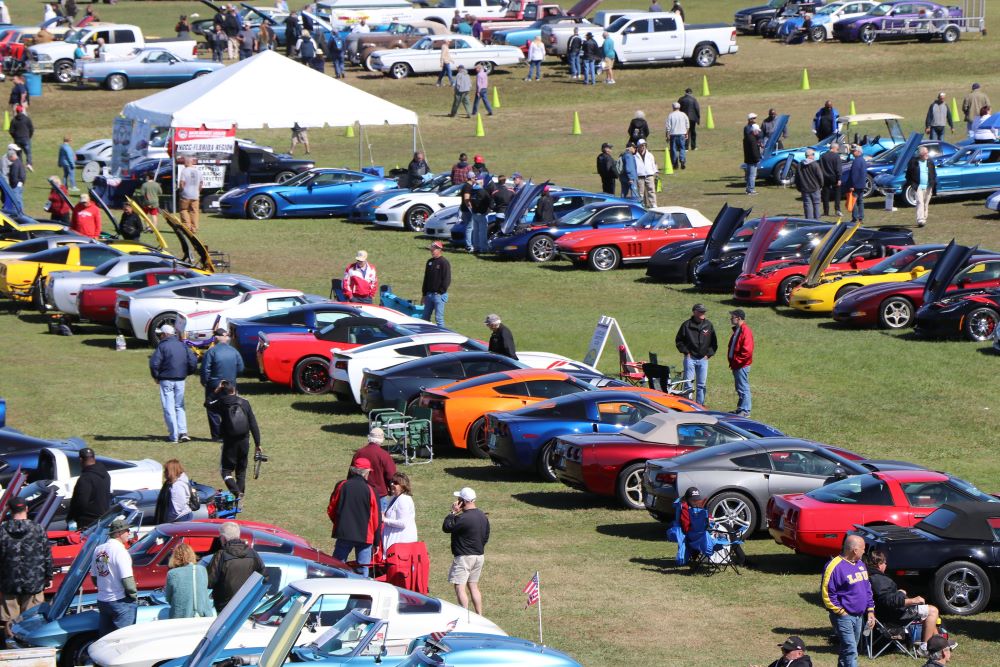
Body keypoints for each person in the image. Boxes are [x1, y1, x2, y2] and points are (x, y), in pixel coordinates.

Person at [865, 549, 940, 653]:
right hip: (892, 616)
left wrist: (899, 593)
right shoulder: (877, 578)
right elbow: (889, 601)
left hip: (884, 614)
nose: (886, 565)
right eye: (885, 563)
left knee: (927, 611)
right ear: (879, 564)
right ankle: (924, 649)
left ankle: (939, 642)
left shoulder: (868, 575)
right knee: (932, 611)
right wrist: (912, 600)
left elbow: (886, 597)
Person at [0, 498, 51, 640]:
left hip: (8, 582)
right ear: (26, 509)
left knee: (10, 623)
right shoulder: (38, 528)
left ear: (9, 510)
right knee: (32, 621)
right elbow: (46, 554)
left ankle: (11, 649)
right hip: (34, 582)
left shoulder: (2, 531)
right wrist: (49, 576)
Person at [822, 534, 875, 667]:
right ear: (855, 550)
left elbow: (867, 588)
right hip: (844, 616)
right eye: (863, 548)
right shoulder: (834, 567)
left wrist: (870, 610)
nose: (865, 551)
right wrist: (841, 612)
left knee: (848, 649)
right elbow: (827, 594)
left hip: (859, 616)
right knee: (851, 650)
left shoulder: (860, 564)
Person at [327, 458, 381, 577]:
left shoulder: (342, 485)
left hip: (344, 533)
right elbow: (376, 518)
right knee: (362, 569)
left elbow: (331, 508)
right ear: (366, 472)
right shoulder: (371, 490)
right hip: (365, 536)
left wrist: (338, 523)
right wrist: (377, 541)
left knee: (336, 566)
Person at [208, 381, 261, 497]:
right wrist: (258, 444)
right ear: (234, 391)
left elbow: (207, 404)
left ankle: (236, 492)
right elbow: (253, 423)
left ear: (223, 392)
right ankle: (240, 496)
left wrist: (215, 392)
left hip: (229, 443)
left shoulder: (221, 402)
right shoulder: (245, 403)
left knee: (226, 470)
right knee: (241, 472)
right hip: (244, 441)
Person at [442, 487, 489, 614]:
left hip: (464, 558)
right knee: (473, 586)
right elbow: (485, 537)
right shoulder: (483, 516)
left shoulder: (462, 518)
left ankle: (464, 615)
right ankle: (479, 615)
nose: (457, 501)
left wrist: (452, 513)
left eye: (459, 499)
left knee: (459, 587)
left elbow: (446, 527)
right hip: (479, 556)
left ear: (463, 501)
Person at [149, 323, 198, 444]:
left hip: (166, 380)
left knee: (168, 407)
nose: (159, 336)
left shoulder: (162, 346)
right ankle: (183, 432)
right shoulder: (183, 345)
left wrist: (156, 376)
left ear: (165, 334)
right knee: (180, 406)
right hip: (181, 380)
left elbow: (154, 363)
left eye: (160, 334)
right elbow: (193, 361)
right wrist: (187, 373)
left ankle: (174, 436)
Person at [92, 518, 137, 638]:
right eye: (126, 530)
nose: (129, 532)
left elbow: (94, 577)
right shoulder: (120, 551)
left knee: (105, 639)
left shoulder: (98, 550)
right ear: (118, 533)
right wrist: (133, 596)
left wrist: (104, 588)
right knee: (122, 640)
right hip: (119, 601)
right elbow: (127, 580)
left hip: (103, 600)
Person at [206, 522, 264, 612]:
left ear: (223, 538)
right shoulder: (253, 554)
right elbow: (263, 579)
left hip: (224, 606)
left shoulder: (221, 555)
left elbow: (210, 581)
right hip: (246, 604)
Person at [200, 328, 244, 440]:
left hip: (214, 385)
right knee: (229, 409)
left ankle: (217, 435)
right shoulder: (234, 351)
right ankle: (230, 433)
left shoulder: (211, 351)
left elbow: (205, 369)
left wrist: (205, 381)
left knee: (212, 409)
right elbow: (241, 368)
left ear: (216, 338)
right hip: (231, 385)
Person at [675, 303, 717, 406]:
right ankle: (687, 405)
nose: (703, 313)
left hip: (703, 359)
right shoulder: (686, 325)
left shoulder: (708, 325)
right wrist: (686, 352)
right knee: (688, 384)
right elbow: (679, 341)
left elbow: (714, 343)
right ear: (694, 312)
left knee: (701, 384)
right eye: (701, 311)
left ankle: (699, 405)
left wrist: (708, 355)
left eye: (704, 311)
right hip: (690, 358)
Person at [164, 543, 213, 619]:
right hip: (203, 615)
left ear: (175, 557)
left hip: (180, 616)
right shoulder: (201, 570)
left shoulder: (172, 574)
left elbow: (168, 598)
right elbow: (204, 591)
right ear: (192, 555)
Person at [353, 427, 397, 511]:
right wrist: (391, 489)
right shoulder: (384, 455)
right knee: (379, 521)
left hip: (360, 493)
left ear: (369, 437)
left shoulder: (359, 453)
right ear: (382, 439)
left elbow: (351, 474)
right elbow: (391, 475)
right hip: (379, 495)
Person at [67, 448, 111, 530]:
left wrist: (72, 517)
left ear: (80, 460)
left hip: (87, 523)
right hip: (103, 518)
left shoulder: (86, 478)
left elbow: (81, 502)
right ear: (93, 457)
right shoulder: (105, 474)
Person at [727, 309, 754, 417]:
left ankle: (745, 410)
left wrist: (737, 361)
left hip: (741, 365)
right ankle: (741, 409)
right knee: (740, 387)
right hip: (737, 364)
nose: (731, 318)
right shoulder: (738, 329)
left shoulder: (745, 331)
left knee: (743, 387)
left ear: (738, 318)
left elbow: (747, 351)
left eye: (732, 316)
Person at [382, 472, 417, 551]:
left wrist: (385, 520)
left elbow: (403, 523)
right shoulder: (394, 498)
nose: (392, 484)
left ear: (403, 486)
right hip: (394, 543)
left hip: (401, 544)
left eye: (396, 483)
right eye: (392, 481)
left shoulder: (403, 499)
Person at [906, 145, 937, 229]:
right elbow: (908, 174)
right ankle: (920, 220)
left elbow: (934, 173)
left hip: (928, 186)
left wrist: (933, 182)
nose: (927, 155)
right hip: (918, 186)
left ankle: (924, 218)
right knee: (920, 202)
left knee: (926, 203)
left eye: (927, 153)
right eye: (925, 153)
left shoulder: (930, 162)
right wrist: (912, 184)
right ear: (921, 154)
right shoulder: (914, 162)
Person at [154, 459, 194, 524]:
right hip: (179, 518)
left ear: (171, 471)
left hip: (180, 519)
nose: (164, 472)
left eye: (166, 470)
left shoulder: (177, 486)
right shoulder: (173, 483)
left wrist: (167, 521)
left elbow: (177, 509)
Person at [422, 241, 451, 327]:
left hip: (439, 295)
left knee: (439, 319)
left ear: (439, 250)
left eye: (433, 249)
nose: (432, 251)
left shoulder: (444, 262)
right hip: (429, 295)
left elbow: (447, 279)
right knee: (425, 318)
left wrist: (440, 291)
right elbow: (426, 278)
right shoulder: (429, 262)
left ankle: (442, 337)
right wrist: (424, 294)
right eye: (431, 250)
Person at [795, 148, 824, 220]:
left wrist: (799, 187)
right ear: (810, 155)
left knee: (807, 205)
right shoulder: (815, 164)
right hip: (815, 188)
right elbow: (820, 177)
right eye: (813, 154)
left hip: (805, 188)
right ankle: (817, 221)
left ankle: (809, 221)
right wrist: (821, 185)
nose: (814, 156)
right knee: (816, 204)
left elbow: (797, 178)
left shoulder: (800, 165)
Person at [177, 157, 202, 234]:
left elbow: (182, 183)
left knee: (183, 210)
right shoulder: (198, 171)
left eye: (184, 162)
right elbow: (201, 183)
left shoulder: (184, 171)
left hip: (186, 194)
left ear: (187, 162)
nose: (184, 164)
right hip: (195, 194)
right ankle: (194, 228)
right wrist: (198, 191)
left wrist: (181, 191)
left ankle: (187, 226)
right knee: (194, 211)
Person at [843, 144, 867, 223]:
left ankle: (855, 218)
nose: (852, 153)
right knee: (860, 201)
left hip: (855, 185)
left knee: (854, 202)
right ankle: (861, 218)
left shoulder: (856, 161)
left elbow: (854, 174)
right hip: (862, 184)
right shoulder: (863, 160)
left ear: (858, 151)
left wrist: (852, 185)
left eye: (853, 151)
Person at [820, 142, 843, 217]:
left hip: (825, 177)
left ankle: (826, 211)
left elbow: (820, 167)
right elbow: (838, 168)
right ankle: (837, 210)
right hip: (834, 177)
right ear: (834, 148)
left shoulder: (823, 156)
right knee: (837, 193)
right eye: (837, 149)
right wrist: (839, 178)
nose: (838, 150)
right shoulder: (836, 156)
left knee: (825, 194)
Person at [666, 102, 690, 170]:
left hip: (673, 134)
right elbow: (687, 125)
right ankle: (682, 161)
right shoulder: (683, 115)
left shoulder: (670, 115)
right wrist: (686, 133)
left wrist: (667, 135)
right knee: (682, 148)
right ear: (679, 107)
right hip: (682, 134)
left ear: (673, 107)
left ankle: (675, 163)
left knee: (673, 149)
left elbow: (668, 126)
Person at [635, 139, 658, 208]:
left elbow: (653, 163)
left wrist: (655, 171)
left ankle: (653, 204)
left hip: (649, 175)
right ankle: (642, 205)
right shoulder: (635, 155)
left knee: (651, 190)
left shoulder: (650, 155)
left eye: (644, 145)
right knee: (640, 192)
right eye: (642, 145)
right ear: (638, 146)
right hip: (640, 175)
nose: (643, 147)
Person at [9, 106, 32, 171]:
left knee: (19, 153)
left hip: (17, 139)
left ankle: (20, 166)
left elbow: (11, 131)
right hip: (26, 138)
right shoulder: (27, 119)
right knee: (28, 152)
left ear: (16, 111)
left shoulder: (14, 120)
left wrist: (15, 137)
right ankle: (29, 164)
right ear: (22, 111)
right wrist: (29, 136)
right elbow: (31, 129)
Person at [743, 114, 762, 195]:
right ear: (754, 131)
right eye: (757, 131)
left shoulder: (747, 137)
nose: (758, 132)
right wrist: (757, 158)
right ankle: (751, 190)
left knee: (748, 175)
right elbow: (754, 150)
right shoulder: (752, 139)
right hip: (752, 159)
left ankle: (748, 189)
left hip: (748, 158)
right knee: (752, 175)